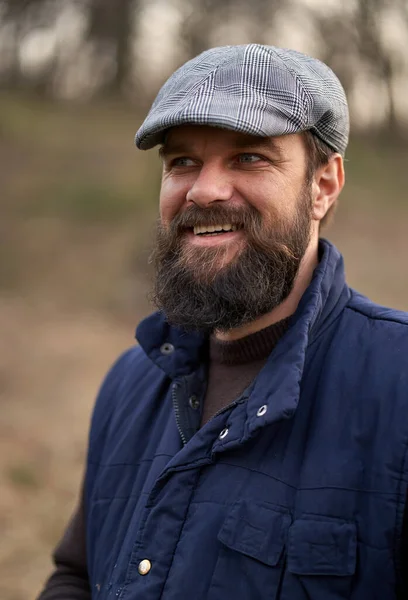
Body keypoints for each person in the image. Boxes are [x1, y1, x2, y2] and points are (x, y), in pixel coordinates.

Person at [37, 44, 408, 600]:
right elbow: (76, 577)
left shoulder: (398, 383)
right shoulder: (130, 383)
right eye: (182, 161)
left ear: (324, 185)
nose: (204, 189)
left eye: (249, 157)